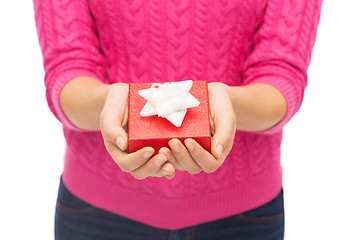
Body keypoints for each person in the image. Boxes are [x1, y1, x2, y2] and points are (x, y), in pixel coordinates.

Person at [33, 0, 322, 239]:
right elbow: (67, 68)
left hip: (243, 217)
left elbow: (282, 76)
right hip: (96, 214)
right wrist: (108, 102)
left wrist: (223, 103)